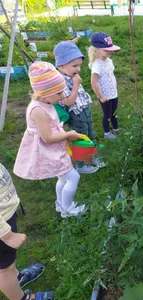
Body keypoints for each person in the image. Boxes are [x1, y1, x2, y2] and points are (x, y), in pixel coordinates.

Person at [13, 62, 86, 218]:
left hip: (54, 149)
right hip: (49, 150)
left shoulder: (45, 102)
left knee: (62, 177)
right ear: (45, 93)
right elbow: (47, 137)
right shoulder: (38, 110)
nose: (62, 96)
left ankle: (60, 204)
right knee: (73, 177)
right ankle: (68, 208)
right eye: (58, 93)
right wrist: (68, 135)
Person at [0, 162, 54, 300]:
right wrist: (6, 235)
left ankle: (16, 278)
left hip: (5, 215)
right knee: (3, 269)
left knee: (8, 261)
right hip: (2, 228)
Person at [54, 41, 106, 174]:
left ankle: (92, 156)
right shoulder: (60, 81)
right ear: (61, 65)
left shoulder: (71, 75)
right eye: (74, 66)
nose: (78, 69)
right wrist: (76, 84)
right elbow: (68, 102)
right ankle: (81, 164)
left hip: (84, 110)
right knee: (80, 138)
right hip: (75, 114)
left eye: (79, 65)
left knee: (90, 134)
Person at [89, 32, 121, 140]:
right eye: (106, 50)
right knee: (107, 115)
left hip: (113, 93)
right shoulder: (97, 65)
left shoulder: (109, 61)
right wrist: (101, 96)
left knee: (115, 113)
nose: (110, 51)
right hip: (105, 96)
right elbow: (94, 82)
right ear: (97, 49)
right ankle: (107, 133)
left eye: (110, 49)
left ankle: (116, 129)